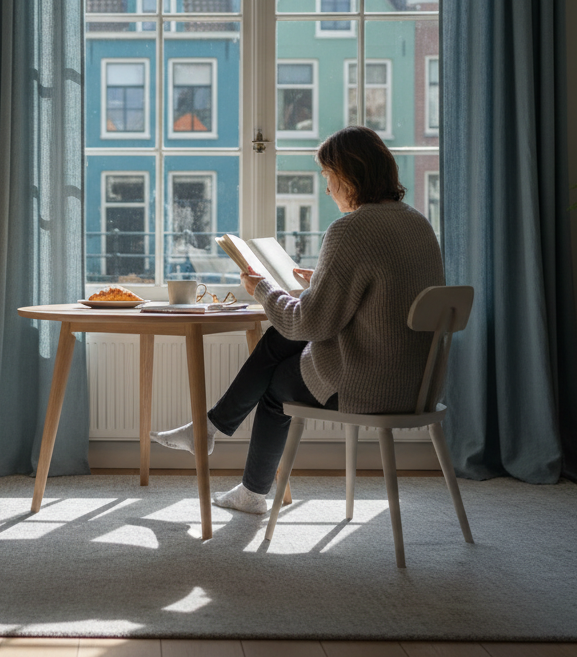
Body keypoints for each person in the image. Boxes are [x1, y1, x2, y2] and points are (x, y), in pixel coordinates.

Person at [151, 125, 445, 514]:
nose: (327, 189)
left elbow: (310, 325)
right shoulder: (416, 223)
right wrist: (321, 280)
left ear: (349, 175)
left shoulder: (350, 230)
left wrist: (262, 289)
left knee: (276, 384)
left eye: (328, 176)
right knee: (277, 342)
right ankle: (208, 431)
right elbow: (380, 296)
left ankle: (249, 488)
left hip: (372, 385)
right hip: (419, 382)